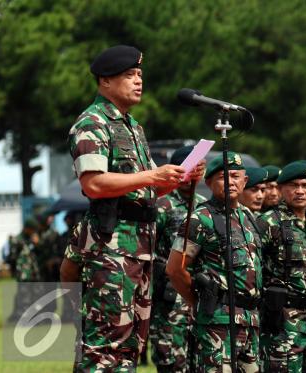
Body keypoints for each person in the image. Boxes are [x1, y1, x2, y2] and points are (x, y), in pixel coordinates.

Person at [59, 45, 205, 371]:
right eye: (129, 75)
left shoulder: (132, 127)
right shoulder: (93, 122)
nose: (138, 81)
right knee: (104, 348)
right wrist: (152, 174)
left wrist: (181, 178)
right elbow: (93, 183)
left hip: (139, 249)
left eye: (139, 75)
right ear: (105, 81)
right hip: (110, 248)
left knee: (130, 348)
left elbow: (151, 187)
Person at [167, 152, 262, 372]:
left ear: (245, 181)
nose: (231, 182)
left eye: (236, 176)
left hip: (250, 321)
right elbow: (174, 269)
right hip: (217, 321)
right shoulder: (200, 219)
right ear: (208, 183)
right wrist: (197, 301)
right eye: (222, 177)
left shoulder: (248, 218)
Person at [257, 160, 306, 372]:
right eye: (293, 186)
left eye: (305, 186)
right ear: (280, 189)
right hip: (284, 321)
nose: (299, 191)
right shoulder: (268, 223)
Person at [149, 146, 207, 373]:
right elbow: (148, 248)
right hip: (169, 298)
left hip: (197, 292)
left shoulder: (204, 205)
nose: (190, 175)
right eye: (185, 170)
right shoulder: (162, 205)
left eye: (195, 169)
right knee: (170, 358)